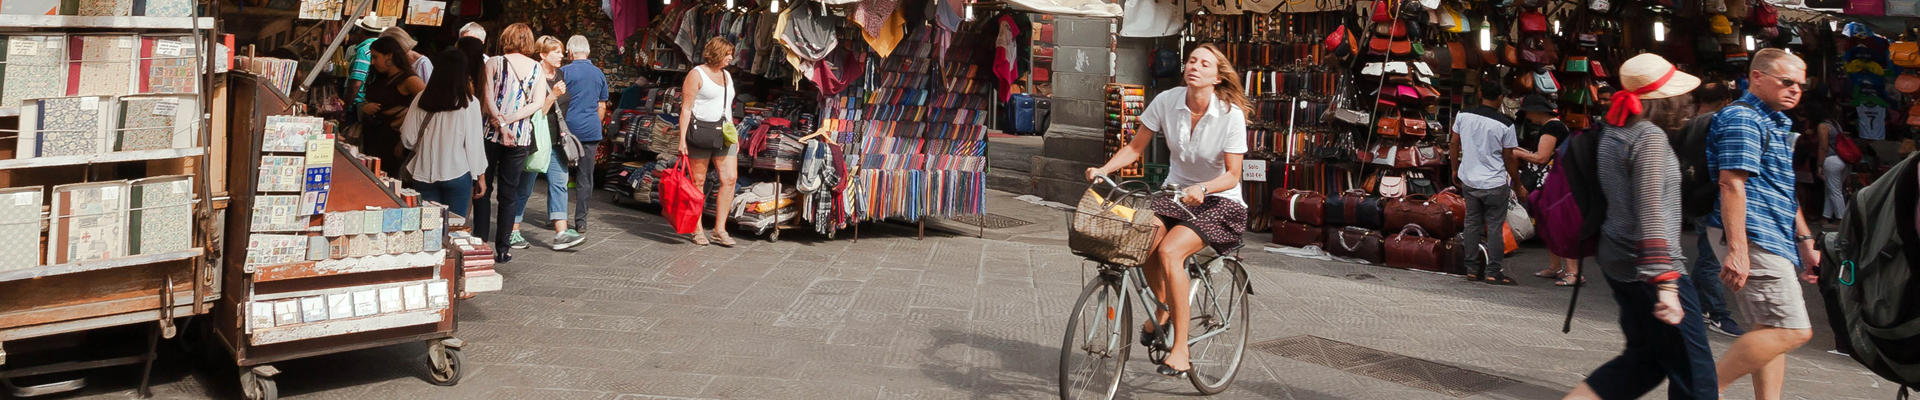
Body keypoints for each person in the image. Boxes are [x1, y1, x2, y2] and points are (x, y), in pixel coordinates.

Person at [1085, 43, 1249, 378]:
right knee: (1140, 240)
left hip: (1220, 200)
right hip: (1175, 194)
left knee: (1171, 251)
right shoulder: (1167, 101)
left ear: (1217, 77)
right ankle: (1162, 312)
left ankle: (1181, 349)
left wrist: (1202, 188)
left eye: (1205, 64)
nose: (1195, 67)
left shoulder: (1230, 114)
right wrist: (1104, 170)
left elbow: (1233, 174)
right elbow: (1134, 147)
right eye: (1191, 60)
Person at [1563, 52, 1717, 400]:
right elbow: (1650, 210)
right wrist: (1666, 284)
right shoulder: (1648, 137)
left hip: (1618, 257)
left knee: (1644, 361)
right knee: (1696, 375)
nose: (1687, 103)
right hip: (1650, 267)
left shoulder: (1615, 129)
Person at [1707, 48, 1819, 400]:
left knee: (1771, 329)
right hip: (1754, 233)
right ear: (1757, 77)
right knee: (1794, 329)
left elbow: (1782, 190)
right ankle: (1703, 389)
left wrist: (1804, 242)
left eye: (1801, 85)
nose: (1795, 90)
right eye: (1786, 82)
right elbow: (1731, 183)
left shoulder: (1773, 121)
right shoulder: (1744, 118)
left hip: (1771, 232)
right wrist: (1739, 251)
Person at [1676, 80, 1748, 338]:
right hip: (1716, 199)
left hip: (1698, 197)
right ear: (1725, 101)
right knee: (1711, 259)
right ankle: (1716, 312)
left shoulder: (1690, 122)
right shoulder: (1722, 122)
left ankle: (1697, 305)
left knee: (1708, 255)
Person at [474, 23, 548, 262]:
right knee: (509, 192)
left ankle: (480, 240)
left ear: (506, 38)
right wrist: (510, 121)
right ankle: (503, 248)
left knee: (483, 189)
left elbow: (486, 96)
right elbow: (537, 103)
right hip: (520, 136)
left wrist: (500, 121)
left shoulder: (494, 62)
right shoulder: (537, 67)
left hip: (490, 133)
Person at [514, 36, 584, 250]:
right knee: (525, 186)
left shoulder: (560, 74)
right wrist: (552, 96)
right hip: (535, 139)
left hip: (556, 140)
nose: (561, 55)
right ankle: (513, 229)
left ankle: (561, 233)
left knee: (560, 184)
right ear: (543, 55)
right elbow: (537, 111)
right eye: (556, 52)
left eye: (561, 51)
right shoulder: (533, 76)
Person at [400, 49, 486, 218]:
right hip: (457, 172)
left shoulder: (421, 98)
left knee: (428, 229)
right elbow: (474, 145)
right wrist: (480, 177)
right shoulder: (470, 103)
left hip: (422, 172)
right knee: (454, 227)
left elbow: (408, 139)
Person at [1453, 82, 1520, 285]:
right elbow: (1509, 156)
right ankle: (1493, 272)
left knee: (1472, 224)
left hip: (1470, 180)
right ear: (1500, 98)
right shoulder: (1506, 124)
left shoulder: (1463, 115)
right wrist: (1517, 181)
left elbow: (1454, 142)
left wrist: (1454, 169)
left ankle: (1472, 269)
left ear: (1480, 93)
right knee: (1494, 226)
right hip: (1495, 183)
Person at [677, 37, 741, 247]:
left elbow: (727, 107)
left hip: (723, 132)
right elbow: (686, 108)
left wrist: (735, 136)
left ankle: (719, 228)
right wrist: (682, 140)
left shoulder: (727, 75)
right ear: (716, 53)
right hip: (700, 132)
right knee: (698, 182)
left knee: (730, 179)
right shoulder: (696, 74)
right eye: (727, 54)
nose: (731, 58)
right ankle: (696, 228)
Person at [1514, 94, 1578, 287]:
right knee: (1549, 224)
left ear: (1537, 111)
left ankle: (1573, 272)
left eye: (1528, 112)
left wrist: (1517, 153)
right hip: (1553, 182)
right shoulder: (1555, 126)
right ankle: (1555, 266)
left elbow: (1542, 158)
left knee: (1560, 226)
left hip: (1554, 182)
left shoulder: (1552, 127)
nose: (1527, 117)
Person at [559, 35, 610, 237]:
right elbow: (602, 105)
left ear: (570, 52)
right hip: (590, 130)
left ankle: (557, 216)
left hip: (566, 130)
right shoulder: (598, 74)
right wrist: (593, 123)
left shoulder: (563, 72)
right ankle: (581, 220)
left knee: (560, 175)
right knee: (585, 176)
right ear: (587, 52)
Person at [361, 37, 427, 179]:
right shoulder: (380, 77)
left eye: (376, 57)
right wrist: (364, 108)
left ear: (389, 56)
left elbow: (428, 106)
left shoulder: (409, 80)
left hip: (393, 143)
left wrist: (407, 115)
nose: (373, 62)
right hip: (373, 138)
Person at [344, 16, 384, 124]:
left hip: (359, 102)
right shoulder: (381, 48)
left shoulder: (364, 50)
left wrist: (346, 107)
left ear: (361, 31)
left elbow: (356, 83)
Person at [1815, 105, 1849, 229]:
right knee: (1831, 190)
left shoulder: (1823, 126)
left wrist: (1819, 164)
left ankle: (1842, 220)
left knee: (1835, 192)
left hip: (1831, 160)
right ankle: (1825, 218)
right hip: (1843, 160)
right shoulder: (1836, 124)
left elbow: (1823, 147)